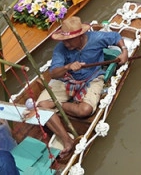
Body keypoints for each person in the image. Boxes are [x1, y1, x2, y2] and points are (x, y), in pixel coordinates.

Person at [36, 16, 129, 160]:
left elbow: (115, 36)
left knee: (85, 110)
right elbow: (53, 73)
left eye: (69, 40)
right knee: (40, 107)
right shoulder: (60, 49)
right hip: (67, 79)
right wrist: (67, 67)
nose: (66, 44)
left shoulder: (96, 38)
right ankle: (67, 139)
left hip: (92, 77)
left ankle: (57, 104)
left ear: (80, 36)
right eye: (64, 40)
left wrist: (124, 51)